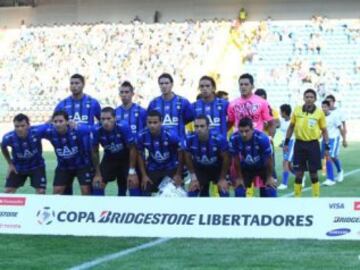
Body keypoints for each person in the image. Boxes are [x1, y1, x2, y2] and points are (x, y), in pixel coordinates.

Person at [54, 73, 101, 195]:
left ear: (83, 84)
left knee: (87, 190)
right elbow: (52, 123)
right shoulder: (62, 104)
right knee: (63, 191)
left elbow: (101, 124)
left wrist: (82, 128)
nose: (74, 86)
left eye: (77, 83)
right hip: (67, 154)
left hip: (86, 154)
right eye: (72, 83)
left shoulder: (93, 103)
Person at [284, 89, 330, 197]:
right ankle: (297, 197)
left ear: (315, 99)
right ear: (303, 98)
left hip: (313, 144)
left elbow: (324, 130)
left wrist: (327, 146)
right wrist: (286, 142)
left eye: (311, 97)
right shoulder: (297, 110)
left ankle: (316, 197)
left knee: (313, 172)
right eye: (307, 96)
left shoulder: (319, 113)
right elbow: (291, 127)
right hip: (299, 144)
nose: (309, 99)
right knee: (299, 172)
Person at [41, 111, 95, 195]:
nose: (58, 124)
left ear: (67, 121)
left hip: (82, 165)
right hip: (63, 166)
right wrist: (47, 123)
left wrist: (78, 125)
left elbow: (94, 128)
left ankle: (86, 208)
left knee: (86, 191)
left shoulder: (77, 130)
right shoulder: (50, 132)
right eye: (55, 122)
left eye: (61, 121)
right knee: (57, 192)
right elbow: (33, 130)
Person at [91, 107, 140, 196]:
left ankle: (136, 209)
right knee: (97, 184)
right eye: (103, 119)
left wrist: (132, 171)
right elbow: (94, 151)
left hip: (126, 158)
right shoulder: (96, 129)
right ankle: (98, 208)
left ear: (115, 118)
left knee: (133, 182)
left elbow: (132, 148)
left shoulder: (123, 126)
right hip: (110, 158)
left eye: (109, 119)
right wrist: (97, 173)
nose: (105, 122)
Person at [137, 110, 184, 196]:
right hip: (153, 168)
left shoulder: (171, 135)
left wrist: (178, 174)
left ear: (161, 122)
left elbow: (181, 152)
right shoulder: (142, 136)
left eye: (155, 122)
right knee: (144, 189)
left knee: (175, 192)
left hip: (171, 167)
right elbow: (140, 154)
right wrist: (144, 175)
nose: (152, 125)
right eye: (149, 122)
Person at [229, 117, 277, 197]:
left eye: (246, 131)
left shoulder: (262, 138)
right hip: (246, 167)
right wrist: (240, 178)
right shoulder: (234, 138)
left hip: (263, 167)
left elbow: (269, 158)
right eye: (241, 131)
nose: (244, 134)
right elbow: (236, 159)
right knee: (239, 190)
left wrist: (269, 177)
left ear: (252, 129)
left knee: (271, 189)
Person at [185, 115, 230, 197]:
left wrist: (222, 178)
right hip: (201, 169)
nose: (199, 129)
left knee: (224, 191)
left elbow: (226, 159)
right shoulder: (190, 139)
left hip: (217, 169)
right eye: (196, 126)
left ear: (208, 126)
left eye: (202, 126)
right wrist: (193, 178)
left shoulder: (219, 139)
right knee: (192, 191)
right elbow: (187, 157)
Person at [1, 114, 47, 194]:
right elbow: (3, 146)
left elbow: (49, 124)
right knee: (8, 191)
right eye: (17, 126)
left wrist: (69, 123)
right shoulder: (9, 137)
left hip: (37, 165)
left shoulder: (37, 131)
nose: (20, 129)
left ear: (28, 125)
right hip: (18, 166)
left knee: (41, 191)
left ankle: (37, 206)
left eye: (23, 126)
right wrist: (10, 164)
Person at [147, 73, 193, 139]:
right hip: (160, 143)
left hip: (179, 143)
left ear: (172, 84)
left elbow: (189, 119)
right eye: (161, 84)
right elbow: (149, 122)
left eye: (166, 83)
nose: (164, 86)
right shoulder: (153, 103)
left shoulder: (183, 102)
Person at [321, 100, 347, 186]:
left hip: (334, 138)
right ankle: (340, 170)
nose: (323, 108)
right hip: (325, 139)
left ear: (328, 107)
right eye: (322, 107)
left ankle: (330, 179)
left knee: (329, 156)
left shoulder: (334, 116)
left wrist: (344, 139)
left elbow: (340, 128)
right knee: (329, 157)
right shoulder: (321, 117)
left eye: (325, 107)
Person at [278, 104, 295, 190]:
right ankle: (300, 176)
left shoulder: (293, 121)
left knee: (285, 162)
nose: (279, 112)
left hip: (292, 142)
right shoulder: (281, 121)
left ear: (284, 112)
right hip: (285, 143)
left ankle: (284, 183)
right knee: (290, 165)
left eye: (280, 111)